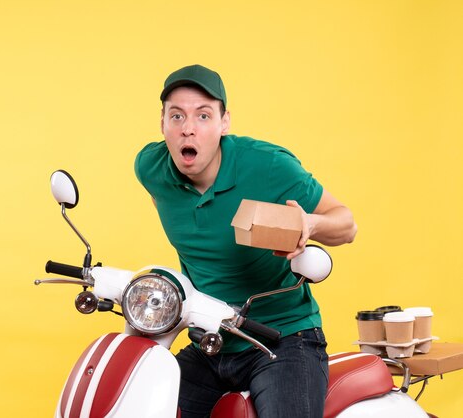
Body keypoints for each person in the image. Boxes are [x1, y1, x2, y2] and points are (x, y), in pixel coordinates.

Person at [134, 64, 357, 418]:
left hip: (281, 340)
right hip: (210, 342)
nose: (188, 128)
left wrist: (308, 225)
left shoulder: (267, 166)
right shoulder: (152, 168)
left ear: (224, 124)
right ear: (162, 124)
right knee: (142, 402)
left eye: (203, 116)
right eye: (176, 116)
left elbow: (346, 225)